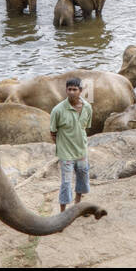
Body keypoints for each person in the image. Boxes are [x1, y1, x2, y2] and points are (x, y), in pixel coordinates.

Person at [49, 77, 93, 212]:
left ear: (80, 91)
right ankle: (63, 212)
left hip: (81, 151)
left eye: (75, 89)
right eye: (69, 89)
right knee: (66, 183)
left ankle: (78, 205)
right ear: (66, 91)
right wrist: (62, 146)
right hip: (66, 153)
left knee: (82, 177)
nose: (72, 92)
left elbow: (85, 128)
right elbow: (53, 132)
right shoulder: (58, 110)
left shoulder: (87, 107)